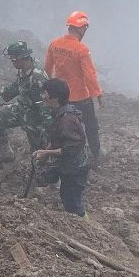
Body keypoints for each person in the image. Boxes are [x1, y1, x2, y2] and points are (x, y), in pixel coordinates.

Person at [44, 10, 104, 163]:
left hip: (61, 97)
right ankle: (96, 156)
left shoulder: (54, 43)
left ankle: (56, 156)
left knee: (60, 127)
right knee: (91, 127)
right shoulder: (81, 49)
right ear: (82, 28)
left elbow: (47, 69)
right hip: (80, 97)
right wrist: (98, 95)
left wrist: (48, 91)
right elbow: (89, 75)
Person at [0, 41, 52, 163]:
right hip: (22, 108)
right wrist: (0, 91)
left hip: (35, 116)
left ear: (22, 58)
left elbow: (45, 108)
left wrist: (49, 131)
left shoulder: (37, 78)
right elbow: (18, 85)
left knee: (38, 151)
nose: (13, 63)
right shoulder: (24, 68)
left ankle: (44, 176)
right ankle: (4, 152)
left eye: (14, 60)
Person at [33, 79, 90, 217]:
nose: (42, 96)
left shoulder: (67, 120)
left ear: (55, 97)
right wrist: (45, 152)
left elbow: (70, 149)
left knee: (73, 203)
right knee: (66, 197)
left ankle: (87, 228)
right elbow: (57, 139)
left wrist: (46, 152)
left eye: (45, 93)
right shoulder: (60, 114)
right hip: (70, 166)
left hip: (76, 168)